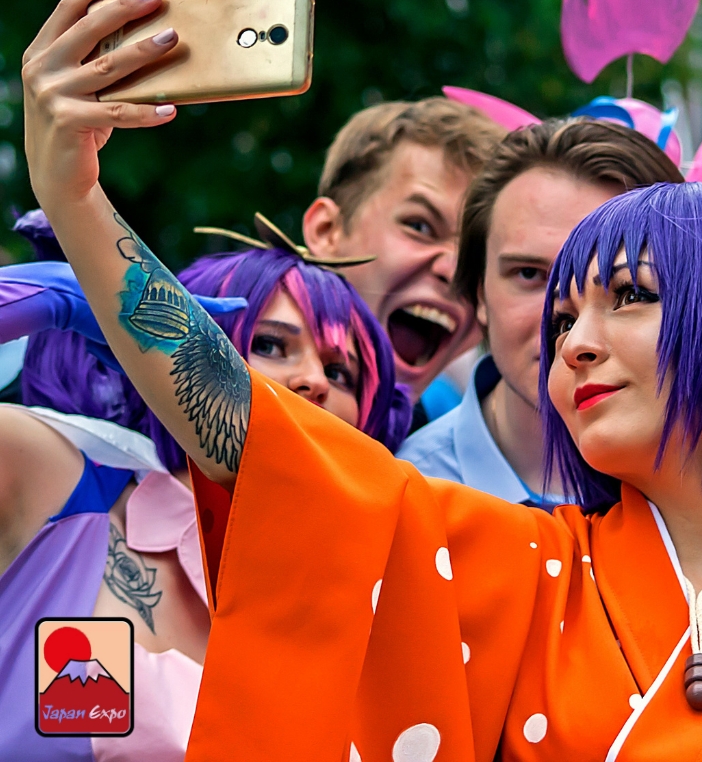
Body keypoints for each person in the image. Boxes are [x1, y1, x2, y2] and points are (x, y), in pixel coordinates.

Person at [22, 0, 702, 760]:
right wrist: (76, 197)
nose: (570, 343)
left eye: (629, 296)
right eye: (561, 312)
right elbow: (252, 437)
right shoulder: (512, 564)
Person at [0, 210, 409, 761]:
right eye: (270, 344)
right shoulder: (58, 481)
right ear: (167, 362)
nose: (313, 380)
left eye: (341, 374)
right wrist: (43, 299)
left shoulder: (381, 610)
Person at [398, 118, 683, 507]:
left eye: (624, 289)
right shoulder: (406, 498)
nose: (570, 327)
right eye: (529, 274)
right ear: (480, 295)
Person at [302, 96, 506, 414]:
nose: (455, 270)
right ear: (327, 231)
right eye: (420, 227)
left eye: (478, 254)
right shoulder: (224, 382)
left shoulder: (441, 429)